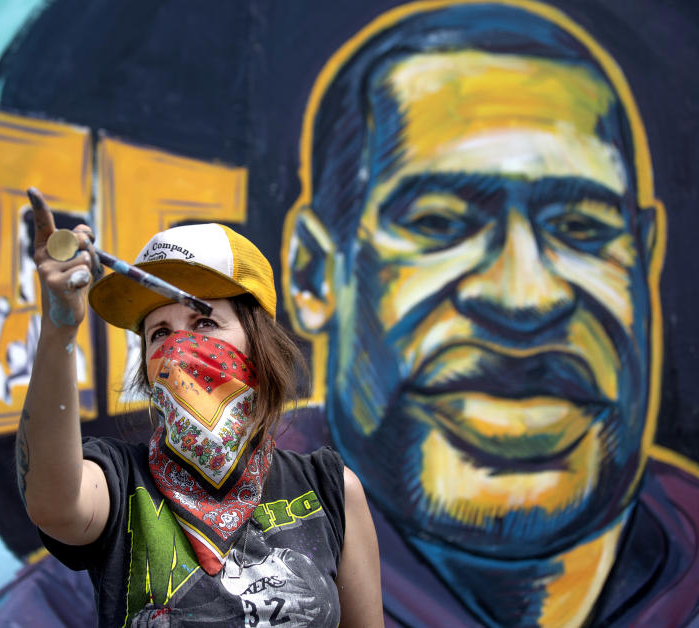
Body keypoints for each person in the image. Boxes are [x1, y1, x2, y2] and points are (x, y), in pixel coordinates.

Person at [281, 1, 699, 626]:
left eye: (582, 227)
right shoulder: (183, 558)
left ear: (645, 258)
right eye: (439, 223)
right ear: (314, 274)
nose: (524, 298)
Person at [16, 187, 384, 626]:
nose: (179, 349)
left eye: (204, 322)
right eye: (159, 334)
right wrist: (59, 328)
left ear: (258, 344)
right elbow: (53, 505)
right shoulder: (117, 481)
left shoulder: (331, 491)